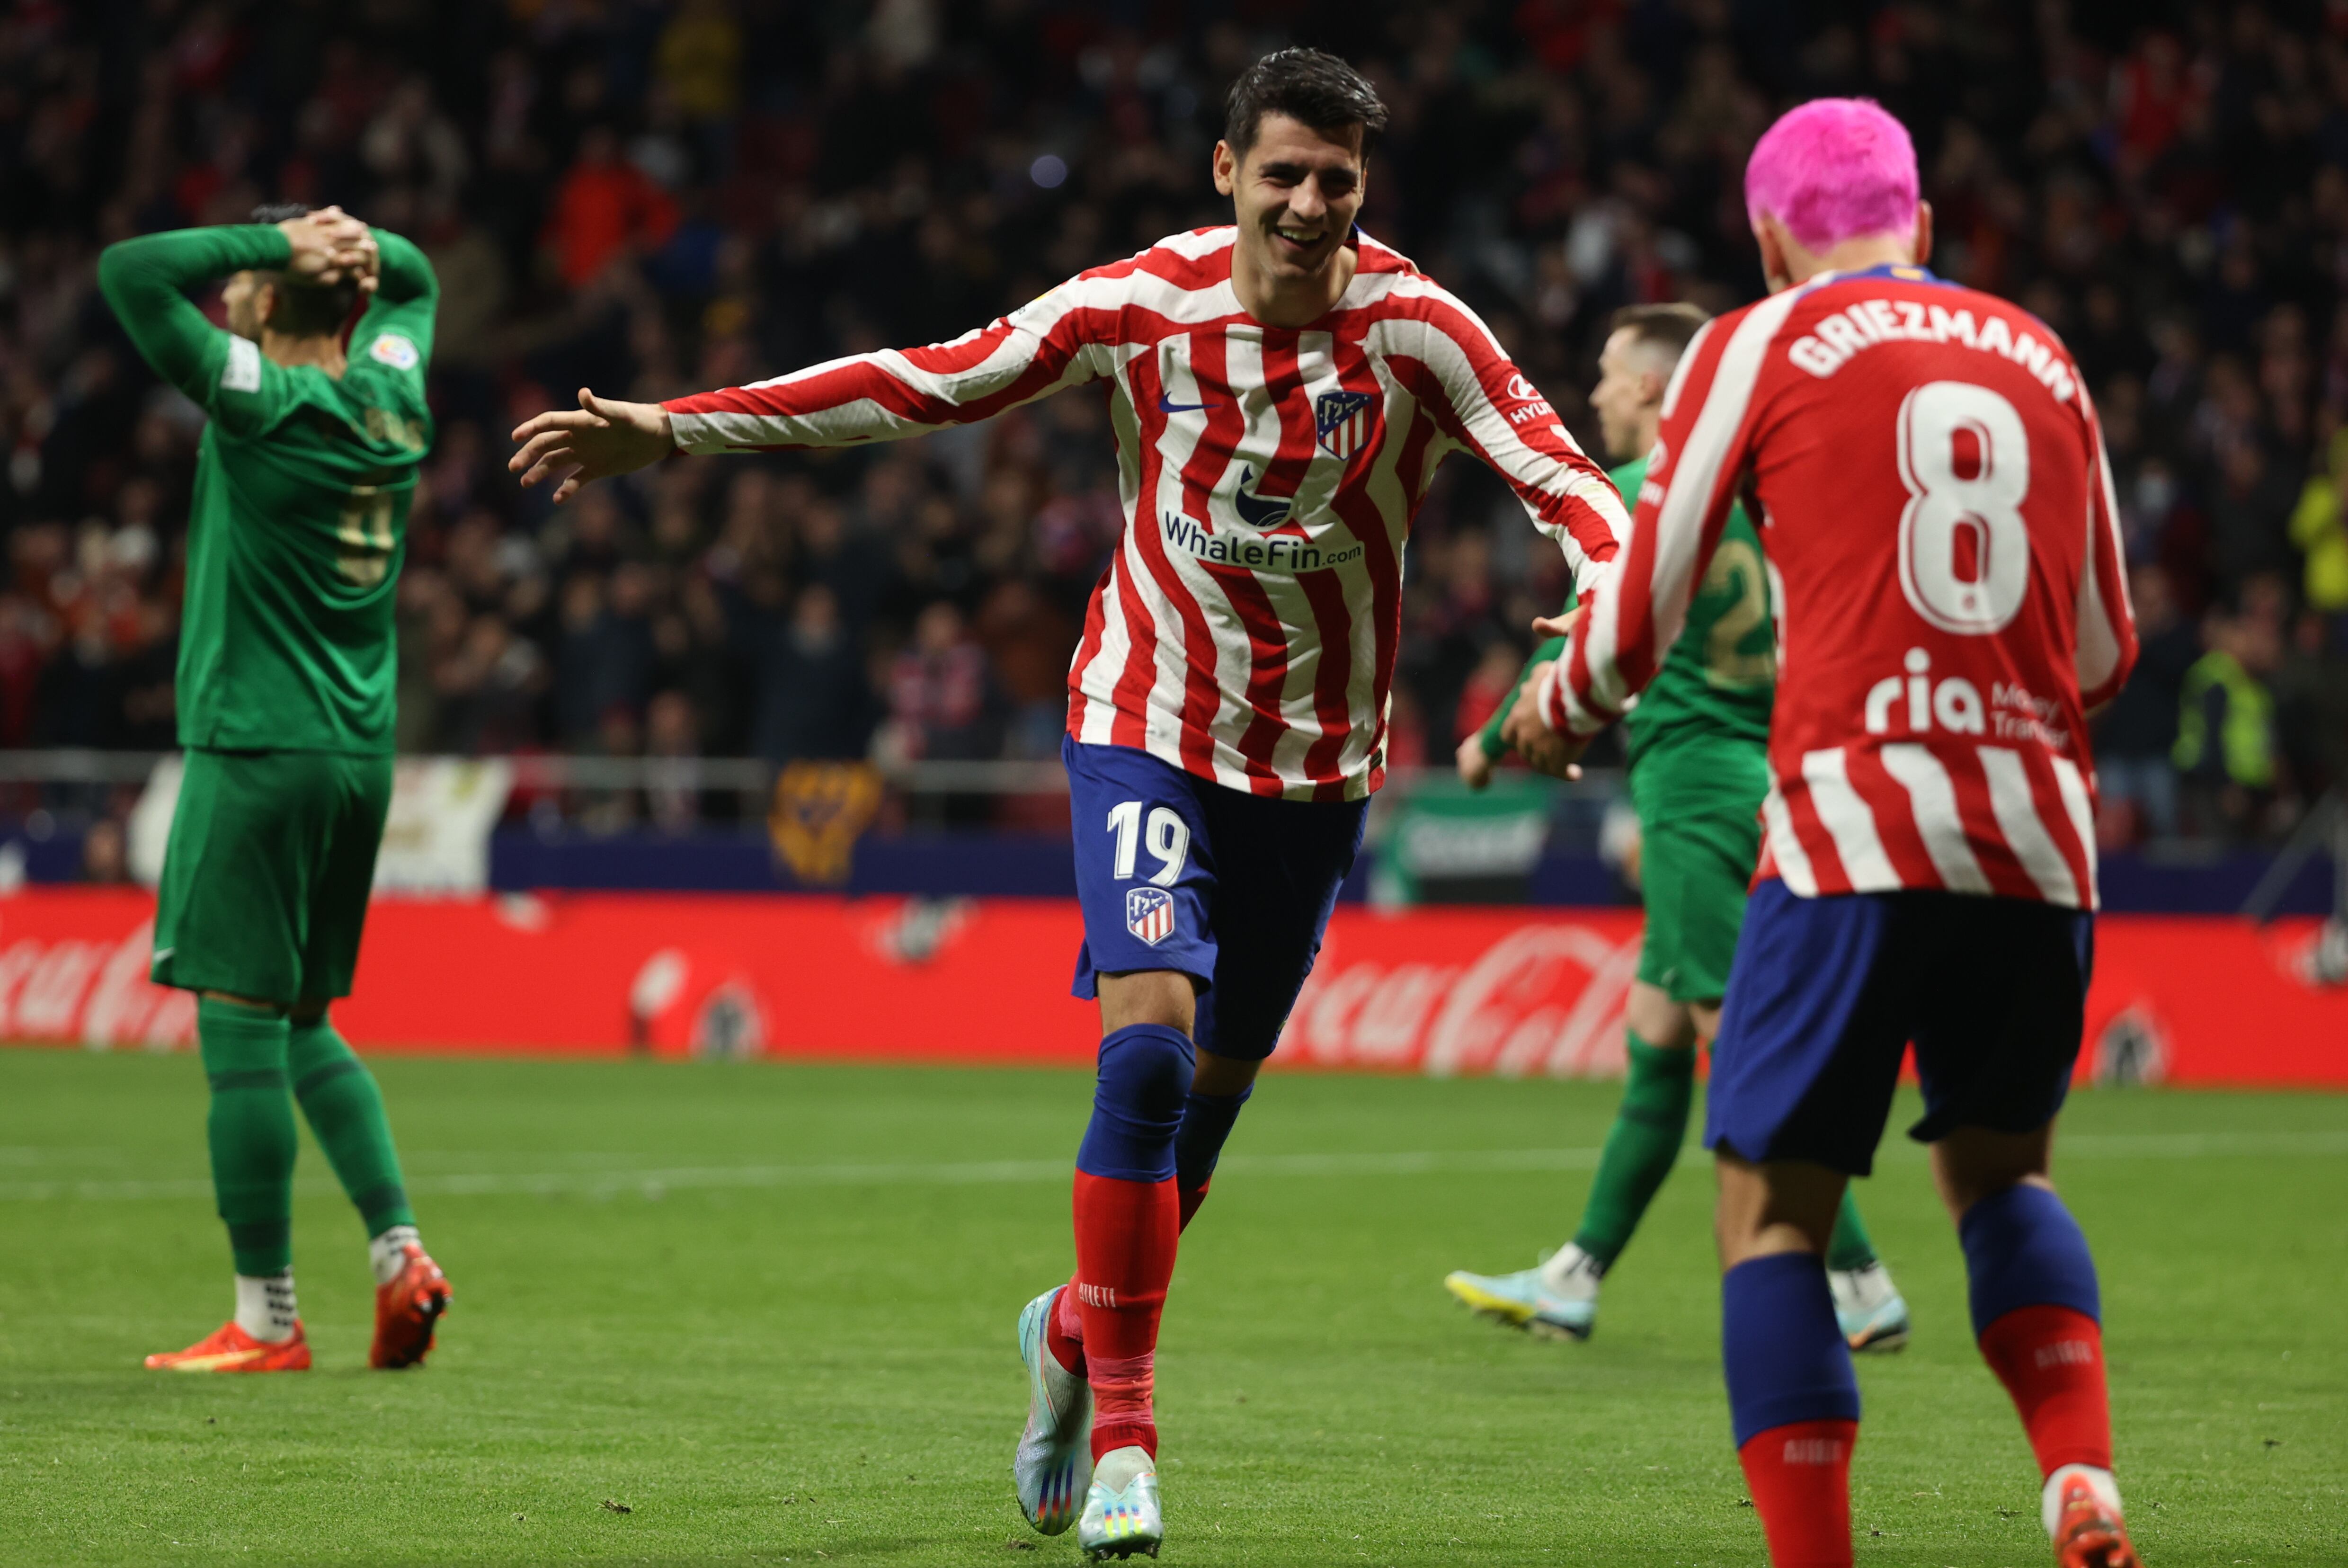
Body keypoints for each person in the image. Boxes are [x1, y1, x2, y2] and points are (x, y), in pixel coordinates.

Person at [507, 48, 1628, 1560]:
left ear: (1367, 194)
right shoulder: (1134, 306)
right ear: (1225, 171)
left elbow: (1566, 479)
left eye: (1338, 183)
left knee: (1203, 1132)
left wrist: (1611, 590)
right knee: (1150, 1052)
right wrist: (676, 428)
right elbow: (924, 384)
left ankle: (1065, 1337)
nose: (1309, 206)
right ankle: (1131, 1441)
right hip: (1144, 725)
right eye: (1283, 173)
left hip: (1312, 773)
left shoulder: (1420, 332)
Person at [1508, 100, 2143, 1568]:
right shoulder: (2045, 355)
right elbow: (2105, 650)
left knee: (1773, 1215)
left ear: (1772, 238)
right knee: (2004, 1177)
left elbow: (1650, 586)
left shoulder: (1754, 342)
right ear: (1918, 227)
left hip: (1853, 829)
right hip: (2037, 837)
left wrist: (1561, 699)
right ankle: (2080, 1474)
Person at [1444, 303, 1911, 1352]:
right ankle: (1573, 1276)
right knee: (1657, 1045)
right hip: (1757, 771)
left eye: (1609, 374)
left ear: (1653, 388)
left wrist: (1490, 744)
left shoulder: (1635, 500)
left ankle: (1859, 1278)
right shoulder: (1755, 497)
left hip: (1691, 785)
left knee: (1734, 1050)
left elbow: (1597, 638)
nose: (1597, 392)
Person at [98, 205, 453, 1374]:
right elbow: (414, 283)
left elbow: (133, 269)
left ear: (259, 302)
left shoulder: (260, 401)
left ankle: (267, 1318)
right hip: (357, 757)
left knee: (237, 1031)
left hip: (254, 749)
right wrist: (358, 247)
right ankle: (400, 1252)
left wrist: (274, 243)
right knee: (304, 1021)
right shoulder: (392, 389)